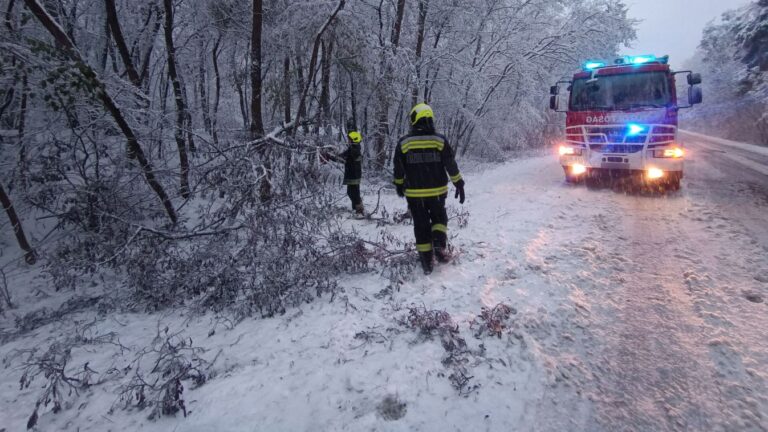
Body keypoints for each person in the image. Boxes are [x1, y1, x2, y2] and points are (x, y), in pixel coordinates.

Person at [393, 103, 465, 275]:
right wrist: (458, 183)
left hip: (414, 195)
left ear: (414, 119)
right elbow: (450, 164)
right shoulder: (439, 140)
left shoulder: (404, 143)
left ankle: (426, 260)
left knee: (421, 225)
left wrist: (398, 184)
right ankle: (439, 245)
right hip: (437, 192)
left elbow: (398, 167)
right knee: (440, 218)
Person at [341, 130, 364, 215]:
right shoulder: (353, 148)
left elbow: (343, 157)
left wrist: (332, 156)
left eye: (349, 139)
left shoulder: (354, 150)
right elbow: (342, 156)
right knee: (351, 192)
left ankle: (359, 210)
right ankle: (356, 208)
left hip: (354, 175)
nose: (348, 140)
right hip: (352, 174)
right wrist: (331, 156)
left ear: (354, 139)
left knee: (354, 193)